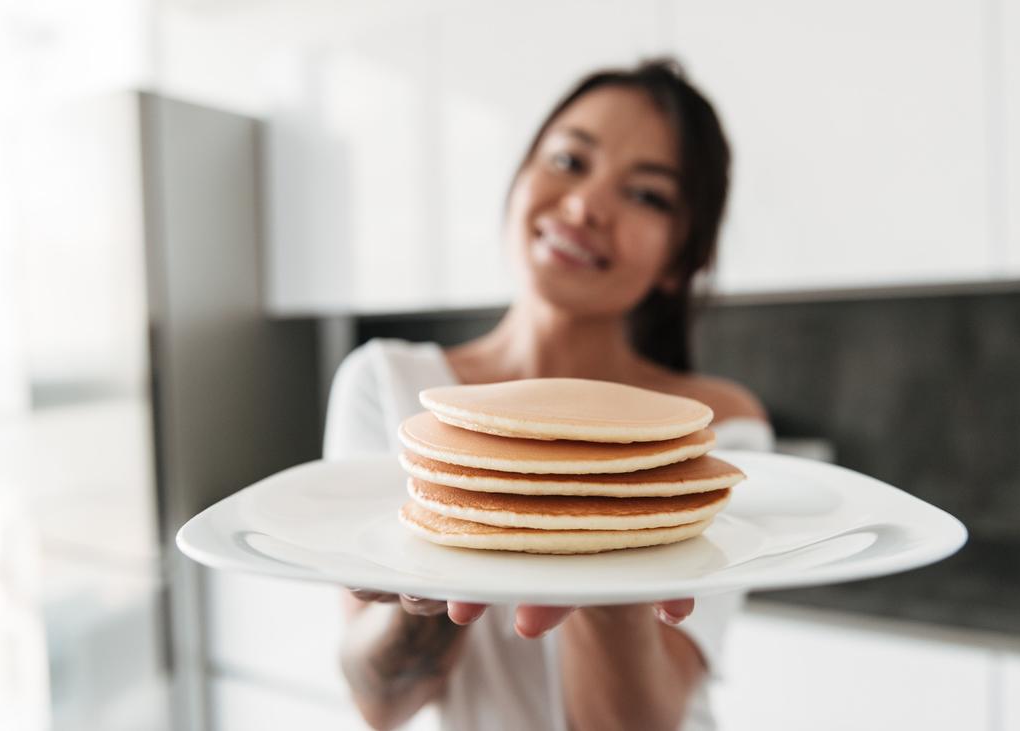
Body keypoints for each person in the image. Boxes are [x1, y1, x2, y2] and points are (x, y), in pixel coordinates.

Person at [323, 58, 773, 731]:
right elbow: (381, 705)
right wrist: (437, 566)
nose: (586, 205)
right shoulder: (386, 385)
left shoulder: (709, 438)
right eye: (569, 160)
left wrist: (612, 564)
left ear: (681, 259)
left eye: (646, 195)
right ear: (519, 178)